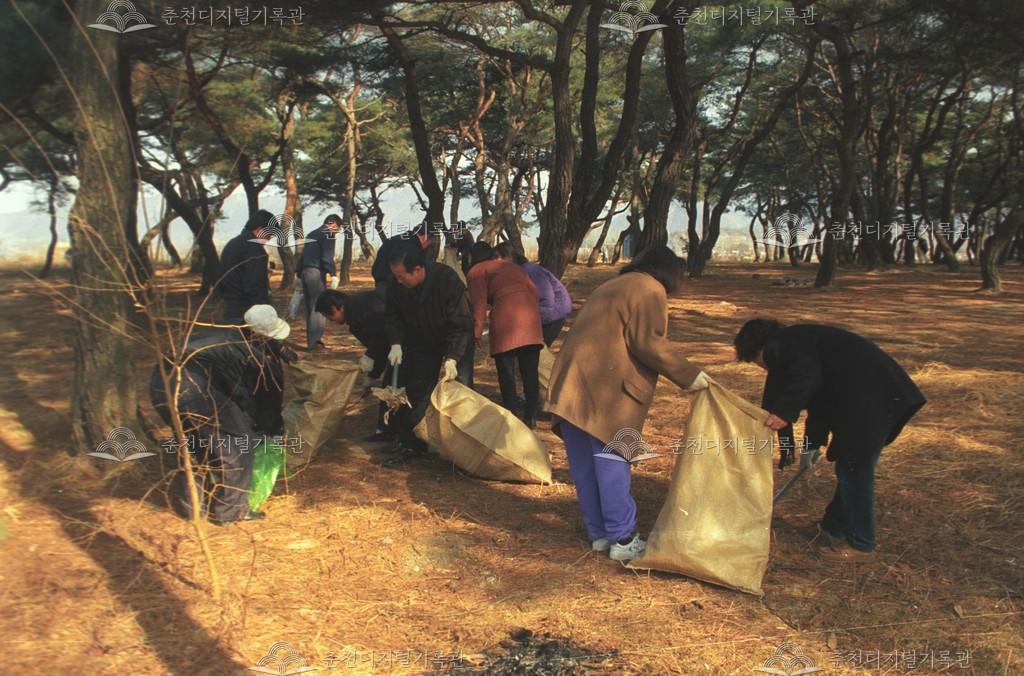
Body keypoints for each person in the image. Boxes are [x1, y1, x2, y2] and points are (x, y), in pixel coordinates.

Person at [546, 246, 709, 561]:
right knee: (613, 458)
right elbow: (648, 342)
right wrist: (691, 376)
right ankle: (623, 538)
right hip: (606, 390)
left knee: (584, 465)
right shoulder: (649, 289)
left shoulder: (613, 284)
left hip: (573, 385)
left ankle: (599, 535)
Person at [734, 319, 926, 561]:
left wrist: (784, 412)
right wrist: (811, 444)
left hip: (875, 401)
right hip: (869, 400)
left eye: (755, 361)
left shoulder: (786, 347)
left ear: (759, 349)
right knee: (849, 465)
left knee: (855, 469)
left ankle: (862, 543)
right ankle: (831, 528)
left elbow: (806, 380)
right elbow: (819, 401)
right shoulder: (798, 343)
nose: (761, 368)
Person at [149, 305, 297, 524]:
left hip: (162, 384)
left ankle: (192, 507)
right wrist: (272, 431)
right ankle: (231, 511)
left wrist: (278, 348)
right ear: (258, 336)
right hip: (197, 391)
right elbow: (264, 404)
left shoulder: (230, 326)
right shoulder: (255, 360)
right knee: (239, 443)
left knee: (191, 442)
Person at [383, 239, 474, 465]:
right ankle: (414, 444)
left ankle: (464, 449)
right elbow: (392, 315)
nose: (398, 280)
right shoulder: (397, 284)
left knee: (459, 389)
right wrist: (395, 342)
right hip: (422, 340)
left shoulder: (447, 281)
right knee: (417, 390)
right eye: (395, 275)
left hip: (455, 339)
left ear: (418, 269)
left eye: (402, 275)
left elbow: (461, 324)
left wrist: (452, 357)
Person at [467, 242, 544, 428]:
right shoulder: (512, 266)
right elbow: (534, 291)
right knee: (530, 372)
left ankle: (511, 417)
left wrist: (476, 332)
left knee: (507, 373)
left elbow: (479, 306)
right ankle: (531, 417)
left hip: (505, 322)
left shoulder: (476, 271)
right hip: (530, 320)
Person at [315, 288, 395, 441]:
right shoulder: (353, 315)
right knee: (389, 386)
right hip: (393, 349)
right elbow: (380, 349)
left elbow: (382, 335)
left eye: (327, 316)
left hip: (407, 345)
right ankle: (386, 430)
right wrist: (372, 376)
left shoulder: (363, 308)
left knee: (394, 388)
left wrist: (370, 356)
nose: (329, 320)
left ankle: (394, 433)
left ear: (334, 308)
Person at [494, 241, 572, 346]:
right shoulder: (517, 272)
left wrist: (528, 319)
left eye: (498, 257)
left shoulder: (529, 270)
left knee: (536, 351)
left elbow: (547, 300)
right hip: (542, 316)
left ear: (509, 256)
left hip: (553, 316)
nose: (495, 261)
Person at [217, 210, 274, 324]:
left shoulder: (232, 243)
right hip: (248, 311)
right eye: (269, 234)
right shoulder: (255, 250)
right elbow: (255, 284)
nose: (269, 238)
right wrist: (265, 310)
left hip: (230, 307)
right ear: (260, 229)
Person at [298, 214, 341, 352]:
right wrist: (333, 273)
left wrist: (298, 273)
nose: (336, 233)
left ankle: (311, 343)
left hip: (305, 272)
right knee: (319, 308)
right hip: (316, 273)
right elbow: (327, 257)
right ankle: (316, 343)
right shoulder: (327, 233)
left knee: (311, 308)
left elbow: (302, 256)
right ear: (334, 224)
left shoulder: (312, 233)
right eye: (337, 230)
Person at [372, 222, 435, 300]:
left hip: (380, 282)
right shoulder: (413, 246)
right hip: (396, 286)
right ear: (425, 238)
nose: (425, 247)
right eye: (428, 244)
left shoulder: (394, 239)